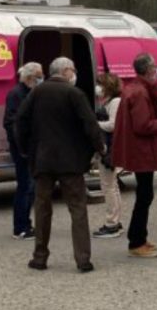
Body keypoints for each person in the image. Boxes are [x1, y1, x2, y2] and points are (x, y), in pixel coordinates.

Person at [16, 57, 104, 273]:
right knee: (78, 209)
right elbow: (90, 124)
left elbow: (20, 121)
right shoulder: (75, 94)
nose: (75, 73)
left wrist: (26, 149)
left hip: (43, 161)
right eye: (73, 70)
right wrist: (99, 148)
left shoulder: (36, 92)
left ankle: (39, 257)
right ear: (65, 71)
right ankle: (83, 259)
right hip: (71, 162)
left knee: (42, 209)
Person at [113, 52, 157, 258]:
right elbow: (142, 125)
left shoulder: (135, 89)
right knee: (145, 195)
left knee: (145, 194)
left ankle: (139, 237)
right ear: (148, 70)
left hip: (139, 151)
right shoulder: (140, 93)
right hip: (141, 151)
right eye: (154, 67)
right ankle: (136, 241)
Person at [3, 62, 43, 239]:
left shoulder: (30, 92)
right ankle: (20, 227)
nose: (42, 79)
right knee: (25, 187)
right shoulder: (17, 94)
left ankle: (26, 224)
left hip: (30, 148)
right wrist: (23, 148)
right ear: (29, 77)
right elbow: (13, 124)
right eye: (39, 76)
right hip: (23, 149)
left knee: (30, 187)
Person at [92, 73, 124, 239]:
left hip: (110, 149)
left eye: (100, 84)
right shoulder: (108, 101)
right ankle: (115, 221)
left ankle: (112, 223)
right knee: (112, 185)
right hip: (108, 148)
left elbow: (112, 125)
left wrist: (94, 124)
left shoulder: (116, 102)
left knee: (108, 186)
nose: (97, 88)